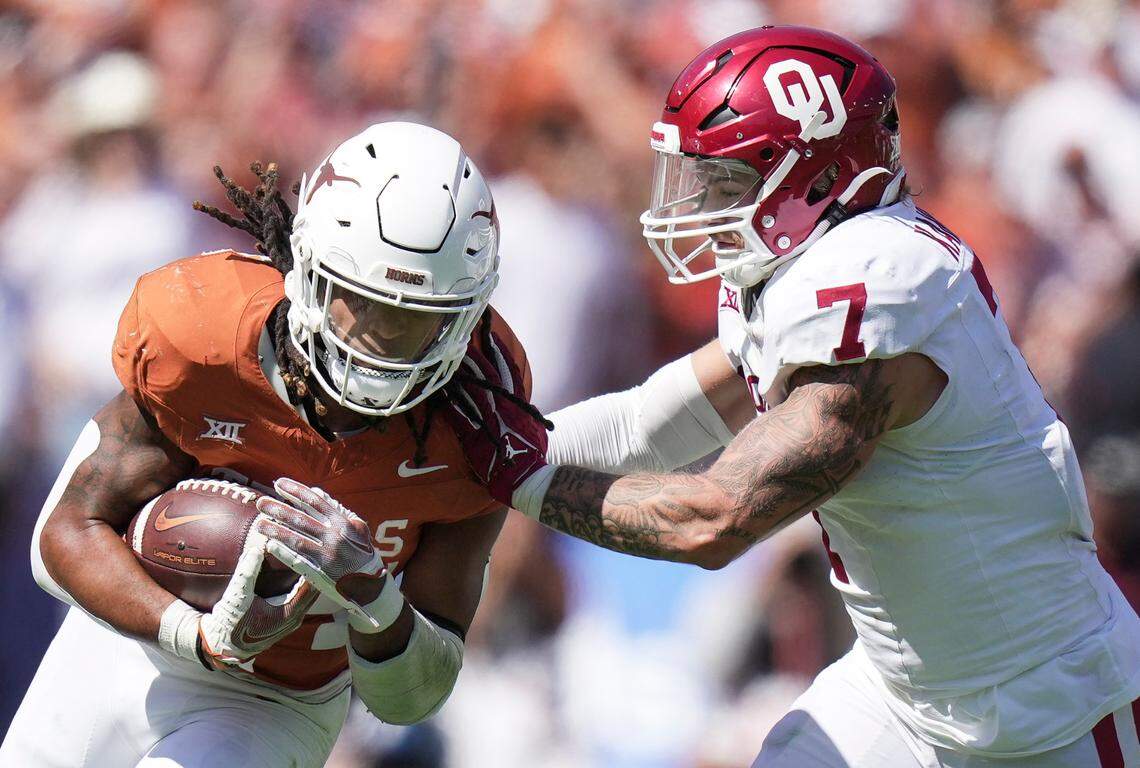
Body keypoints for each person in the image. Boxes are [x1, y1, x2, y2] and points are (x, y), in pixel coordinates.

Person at [443, 27, 1140, 767]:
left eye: (731, 179)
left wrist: (517, 479)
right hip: (902, 692)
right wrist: (482, 437)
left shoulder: (877, 284)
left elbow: (716, 521)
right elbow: (653, 419)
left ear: (817, 178)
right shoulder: (802, 268)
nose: (705, 200)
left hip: (1041, 700)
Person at [0, 121, 542, 768]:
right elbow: (61, 536)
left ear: (467, 314)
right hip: (120, 645)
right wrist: (196, 633)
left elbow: (412, 699)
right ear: (307, 267)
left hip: (271, 705)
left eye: (417, 318)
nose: (382, 340)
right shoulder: (206, 341)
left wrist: (373, 593)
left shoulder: (478, 422)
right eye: (362, 303)